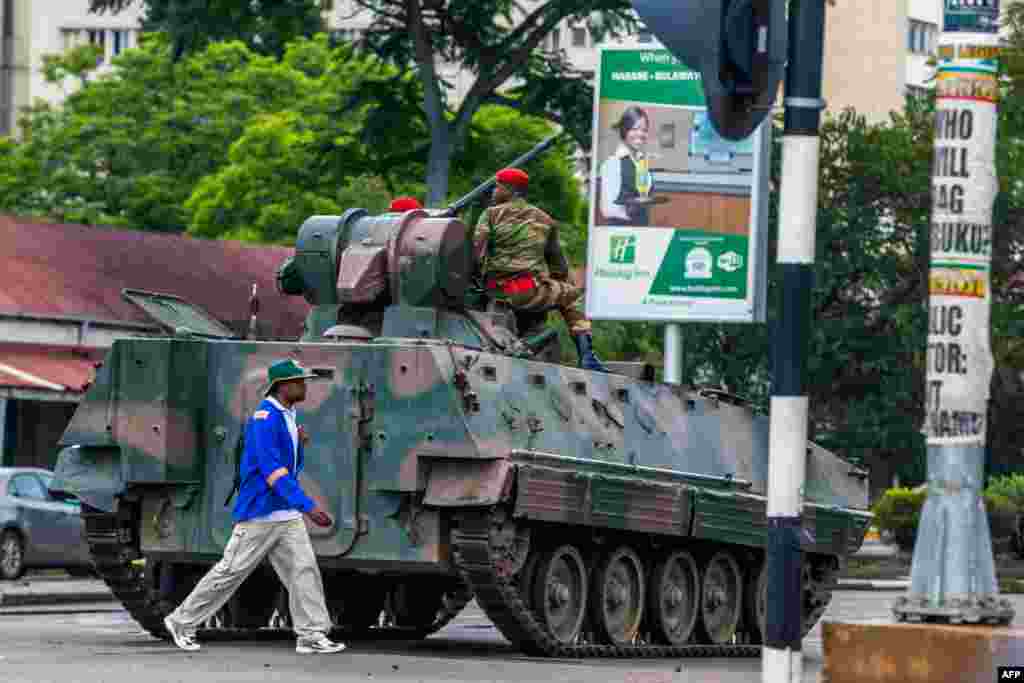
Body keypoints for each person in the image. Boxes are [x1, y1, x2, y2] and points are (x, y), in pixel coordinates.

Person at [162, 359, 346, 655]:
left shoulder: (287, 414)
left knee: (304, 571)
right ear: (283, 386)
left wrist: (300, 447)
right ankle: (181, 622)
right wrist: (308, 506)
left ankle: (311, 634)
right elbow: (272, 470)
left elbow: (288, 467)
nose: (305, 386)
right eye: (300, 381)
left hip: (285, 514)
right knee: (230, 571)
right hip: (261, 512)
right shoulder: (265, 417)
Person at [473, 167, 607, 372]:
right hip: (527, 291)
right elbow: (560, 269)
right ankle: (587, 355)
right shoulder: (545, 220)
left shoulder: (490, 215)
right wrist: (554, 285)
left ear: (510, 190)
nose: (493, 192)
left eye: (497, 187)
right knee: (571, 295)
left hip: (495, 290)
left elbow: (477, 253)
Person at [599, 106, 653, 226]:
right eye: (635, 129)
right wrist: (630, 211)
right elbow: (607, 209)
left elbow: (643, 196)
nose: (640, 134)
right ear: (624, 130)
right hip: (621, 235)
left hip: (643, 232)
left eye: (644, 130)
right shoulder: (613, 163)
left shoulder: (641, 162)